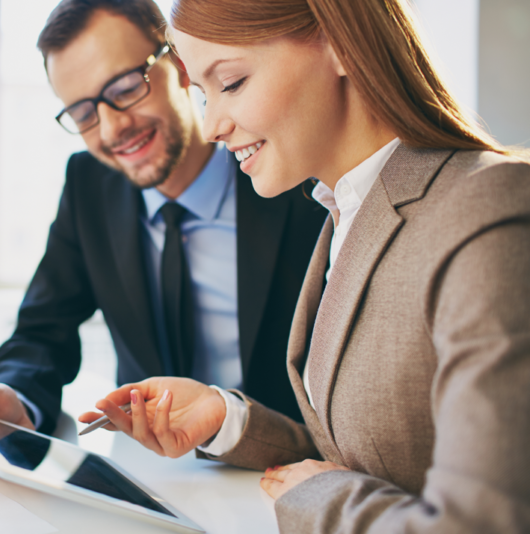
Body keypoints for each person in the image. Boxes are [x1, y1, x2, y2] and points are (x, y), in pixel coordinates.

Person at [79, 0, 530, 532]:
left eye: (231, 83)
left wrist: (321, 499)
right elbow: (369, 451)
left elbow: (484, 522)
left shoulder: (486, 203)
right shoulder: (344, 214)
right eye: (202, 95)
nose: (210, 127)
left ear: (339, 45)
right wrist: (226, 419)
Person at [0, 0, 326, 471]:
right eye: (83, 113)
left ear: (181, 65)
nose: (112, 128)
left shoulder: (288, 168)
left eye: (126, 88)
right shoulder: (90, 184)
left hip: (290, 468)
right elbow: (44, 330)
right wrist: (14, 397)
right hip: (153, 476)